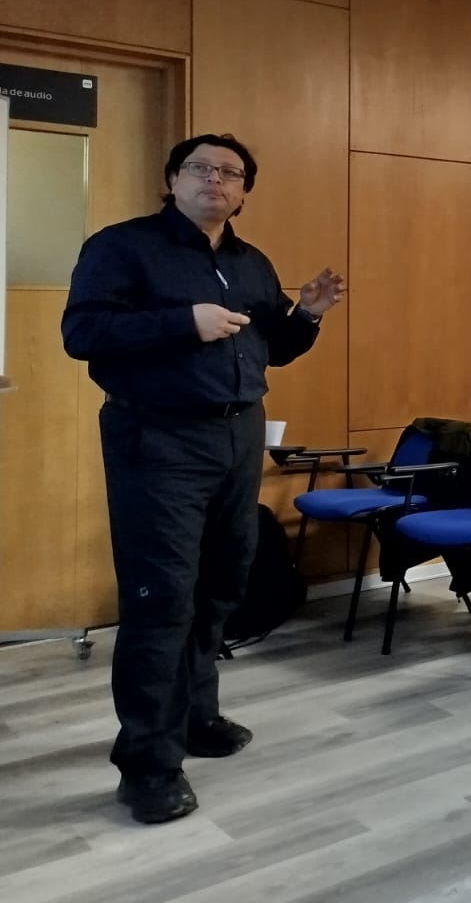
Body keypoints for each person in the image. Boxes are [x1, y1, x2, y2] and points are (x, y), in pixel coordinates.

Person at [61, 134, 346, 824]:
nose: (215, 179)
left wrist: (306, 313)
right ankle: (148, 765)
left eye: (231, 173)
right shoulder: (122, 247)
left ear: (243, 192)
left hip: (239, 433)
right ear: (172, 179)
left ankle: (196, 716)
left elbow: (272, 347)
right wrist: (183, 322)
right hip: (157, 436)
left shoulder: (252, 263)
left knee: (221, 583)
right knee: (161, 597)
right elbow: (83, 334)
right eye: (201, 168)